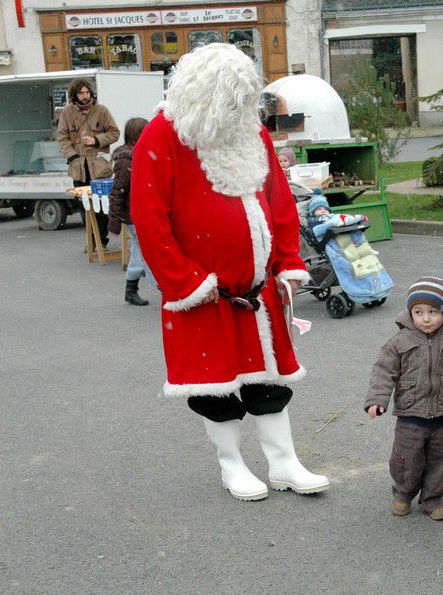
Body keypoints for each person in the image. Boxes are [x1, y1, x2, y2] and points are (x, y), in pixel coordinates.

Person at [130, 43, 328, 501]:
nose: (241, 110)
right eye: (231, 101)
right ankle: (232, 465)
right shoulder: (162, 135)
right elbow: (149, 216)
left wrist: (286, 261)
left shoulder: (250, 130)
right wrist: (185, 282)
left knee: (268, 381)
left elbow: (277, 199)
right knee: (215, 386)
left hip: (258, 291)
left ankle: (284, 463)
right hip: (203, 293)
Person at [365, 277, 443, 520]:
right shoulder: (399, 341)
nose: (425, 318)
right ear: (410, 312)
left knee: (441, 461)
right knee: (407, 459)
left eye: (433, 312)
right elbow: (384, 371)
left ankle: (433, 499)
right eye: (418, 312)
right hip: (410, 415)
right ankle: (403, 493)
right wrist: (377, 399)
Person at [56, 77, 119, 247]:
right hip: (78, 167)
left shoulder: (101, 110)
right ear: (75, 95)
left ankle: (101, 240)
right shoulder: (67, 112)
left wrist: (97, 140)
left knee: (102, 205)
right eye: (81, 93)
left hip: (99, 167)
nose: (85, 96)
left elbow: (115, 133)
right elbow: (61, 137)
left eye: (87, 92)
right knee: (85, 205)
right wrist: (72, 156)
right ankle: (92, 241)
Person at [107, 117, 153, 307]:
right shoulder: (127, 158)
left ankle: (131, 289)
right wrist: (114, 222)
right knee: (147, 251)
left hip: (138, 212)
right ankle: (161, 287)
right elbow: (118, 191)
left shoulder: (134, 154)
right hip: (133, 213)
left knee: (140, 249)